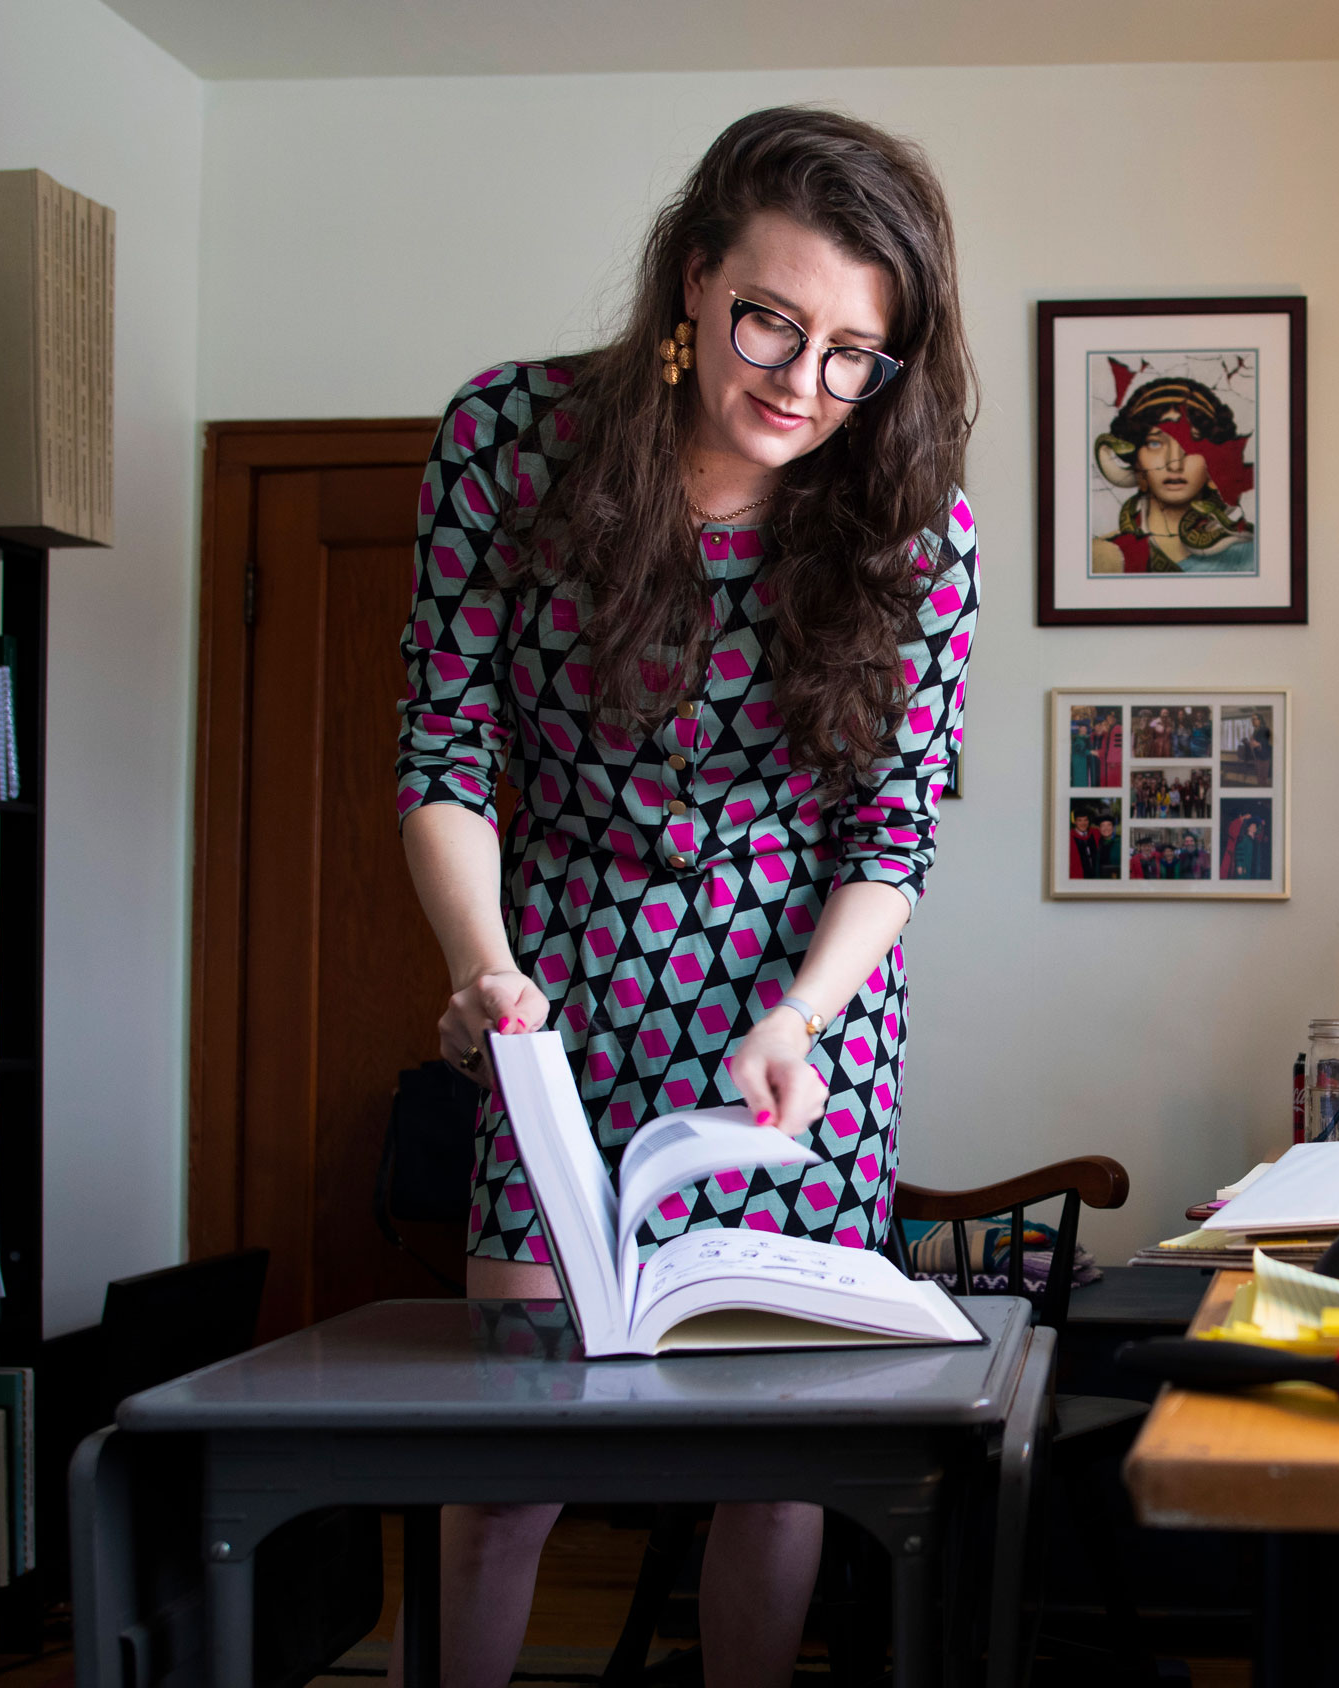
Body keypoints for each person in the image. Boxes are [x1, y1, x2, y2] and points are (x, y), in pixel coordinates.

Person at [395, 107, 977, 1688]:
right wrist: (484, 964)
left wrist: (803, 1012)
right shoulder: (511, 441)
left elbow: (895, 836)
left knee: (769, 1466)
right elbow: (447, 747)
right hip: (559, 990)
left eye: (859, 353)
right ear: (692, 285)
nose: (805, 384)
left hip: (801, 1022)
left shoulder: (914, 533)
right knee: (513, 1455)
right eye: (772, 323)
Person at [1088, 376, 1254, 574]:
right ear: (1137, 459)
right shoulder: (1102, 557)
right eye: (1155, 443)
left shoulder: (1253, 555)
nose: (1174, 463)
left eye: (1192, 443)